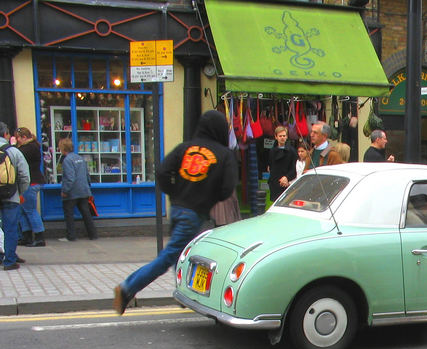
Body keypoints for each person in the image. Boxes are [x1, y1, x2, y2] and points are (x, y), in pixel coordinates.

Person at [113, 110, 237, 315]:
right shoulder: (224, 155)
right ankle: (127, 288)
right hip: (195, 213)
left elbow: (162, 171)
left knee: (181, 255)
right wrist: (210, 196)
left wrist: (174, 193)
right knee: (170, 257)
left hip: (177, 209)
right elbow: (228, 187)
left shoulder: (185, 148)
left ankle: (184, 295)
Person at [0, 121, 31, 270]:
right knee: (10, 228)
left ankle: (2, 255)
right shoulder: (13, 152)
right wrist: (19, 191)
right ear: (6, 134)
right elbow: (25, 176)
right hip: (10, 195)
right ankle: (10, 260)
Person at [58, 136, 97, 241]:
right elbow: (87, 175)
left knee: (69, 214)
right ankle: (93, 234)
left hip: (72, 192)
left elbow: (70, 178)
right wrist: (88, 187)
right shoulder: (80, 158)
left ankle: (71, 236)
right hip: (83, 190)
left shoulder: (67, 160)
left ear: (63, 149)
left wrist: (65, 191)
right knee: (86, 213)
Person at [14, 127, 46, 247]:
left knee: (30, 210)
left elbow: (17, 157)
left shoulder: (29, 148)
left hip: (31, 182)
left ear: (24, 137)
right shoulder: (30, 146)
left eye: (18, 138)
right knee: (22, 210)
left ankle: (39, 237)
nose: (17, 140)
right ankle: (26, 236)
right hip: (29, 182)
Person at [266, 125, 297, 205]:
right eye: (280, 136)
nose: (282, 138)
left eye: (284, 136)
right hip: (274, 183)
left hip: (286, 183)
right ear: (276, 137)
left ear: (286, 137)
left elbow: (294, 169)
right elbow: (271, 167)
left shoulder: (292, 151)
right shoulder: (272, 151)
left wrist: (287, 178)